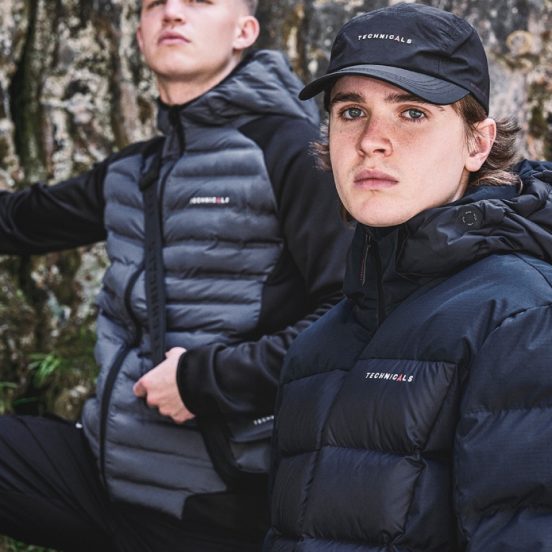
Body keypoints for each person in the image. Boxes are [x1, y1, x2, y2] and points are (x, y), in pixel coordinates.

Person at [0, 1, 351, 551]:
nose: (171, 13)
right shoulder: (134, 170)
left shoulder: (295, 153)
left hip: (225, 501)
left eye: (199, 1)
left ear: (245, 31)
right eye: (154, 4)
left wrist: (203, 380)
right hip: (107, 474)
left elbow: (351, 313)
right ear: (139, 36)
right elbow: (18, 221)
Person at [264, 3, 552, 551]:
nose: (372, 139)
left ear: (477, 143)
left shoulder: (522, 319)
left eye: (412, 112)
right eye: (352, 111)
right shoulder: (317, 345)